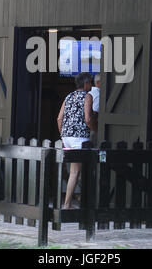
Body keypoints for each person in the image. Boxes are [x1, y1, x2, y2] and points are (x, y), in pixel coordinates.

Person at [57, 72, 96, 209]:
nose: (91, 84)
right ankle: (67, 204)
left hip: (67, 137)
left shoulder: (69, 96)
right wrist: (96, 129)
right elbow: (88, 119)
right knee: (76, 172)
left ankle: (78, 199)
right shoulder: (87, 96)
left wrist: (63, 134)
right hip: (79, 139)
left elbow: (59, 118)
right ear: (85, 84)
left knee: (76, 171)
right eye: (91, 82)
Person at [85, 74, 101, 146]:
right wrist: (98, 132)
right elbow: (94, 115)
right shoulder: (98, 94)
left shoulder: (89, 93)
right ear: (98, 82)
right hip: (93, 130)